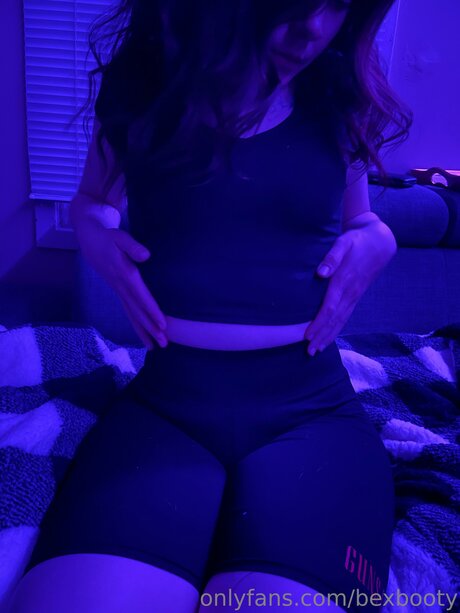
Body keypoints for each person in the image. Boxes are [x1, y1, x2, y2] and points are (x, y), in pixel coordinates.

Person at [6, 1, 412, 611]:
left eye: (337, 3)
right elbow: (91, 200)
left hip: (310, 411)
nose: (314, 27)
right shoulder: (143, 90)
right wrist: (95, 234)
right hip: (166, 407)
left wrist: (380, 238)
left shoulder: (334, 96)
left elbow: (362, 220)